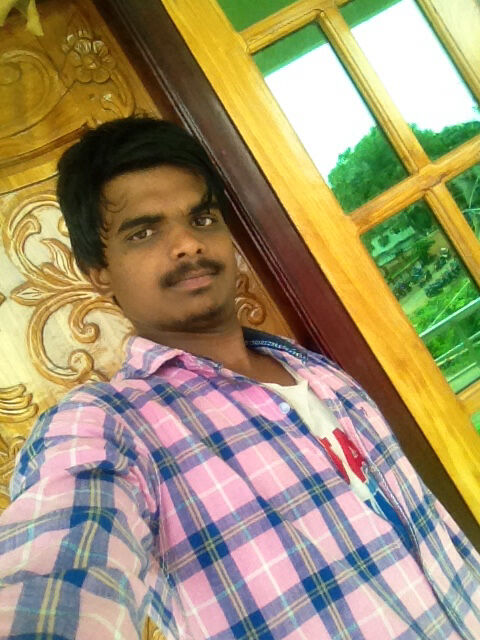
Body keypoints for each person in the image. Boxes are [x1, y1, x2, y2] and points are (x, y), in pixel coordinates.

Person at [0, 116, 479, 640]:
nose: (188, 244)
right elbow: (58, 566)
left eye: (202, 219)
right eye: (144, 232)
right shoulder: (108, 425)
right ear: (99, 272)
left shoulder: (315, 371)